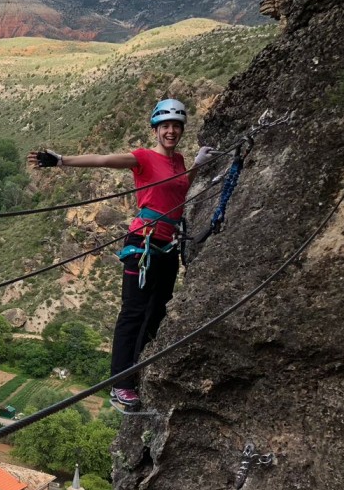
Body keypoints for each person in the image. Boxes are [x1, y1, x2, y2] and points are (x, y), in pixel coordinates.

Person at [28, 99, 214, 412]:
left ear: (181, 129)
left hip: (168, 247)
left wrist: (196, 165)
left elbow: (178, 191)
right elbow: (102, 159)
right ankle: (121, 385)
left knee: (156, 312)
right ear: (156, 130)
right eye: (165, 126)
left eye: (176, 126)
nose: (170, 131)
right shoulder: (142, 158)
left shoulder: (179, 161)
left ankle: (137, 372)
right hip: (143, 242)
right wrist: (61, 160)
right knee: (134, 313)